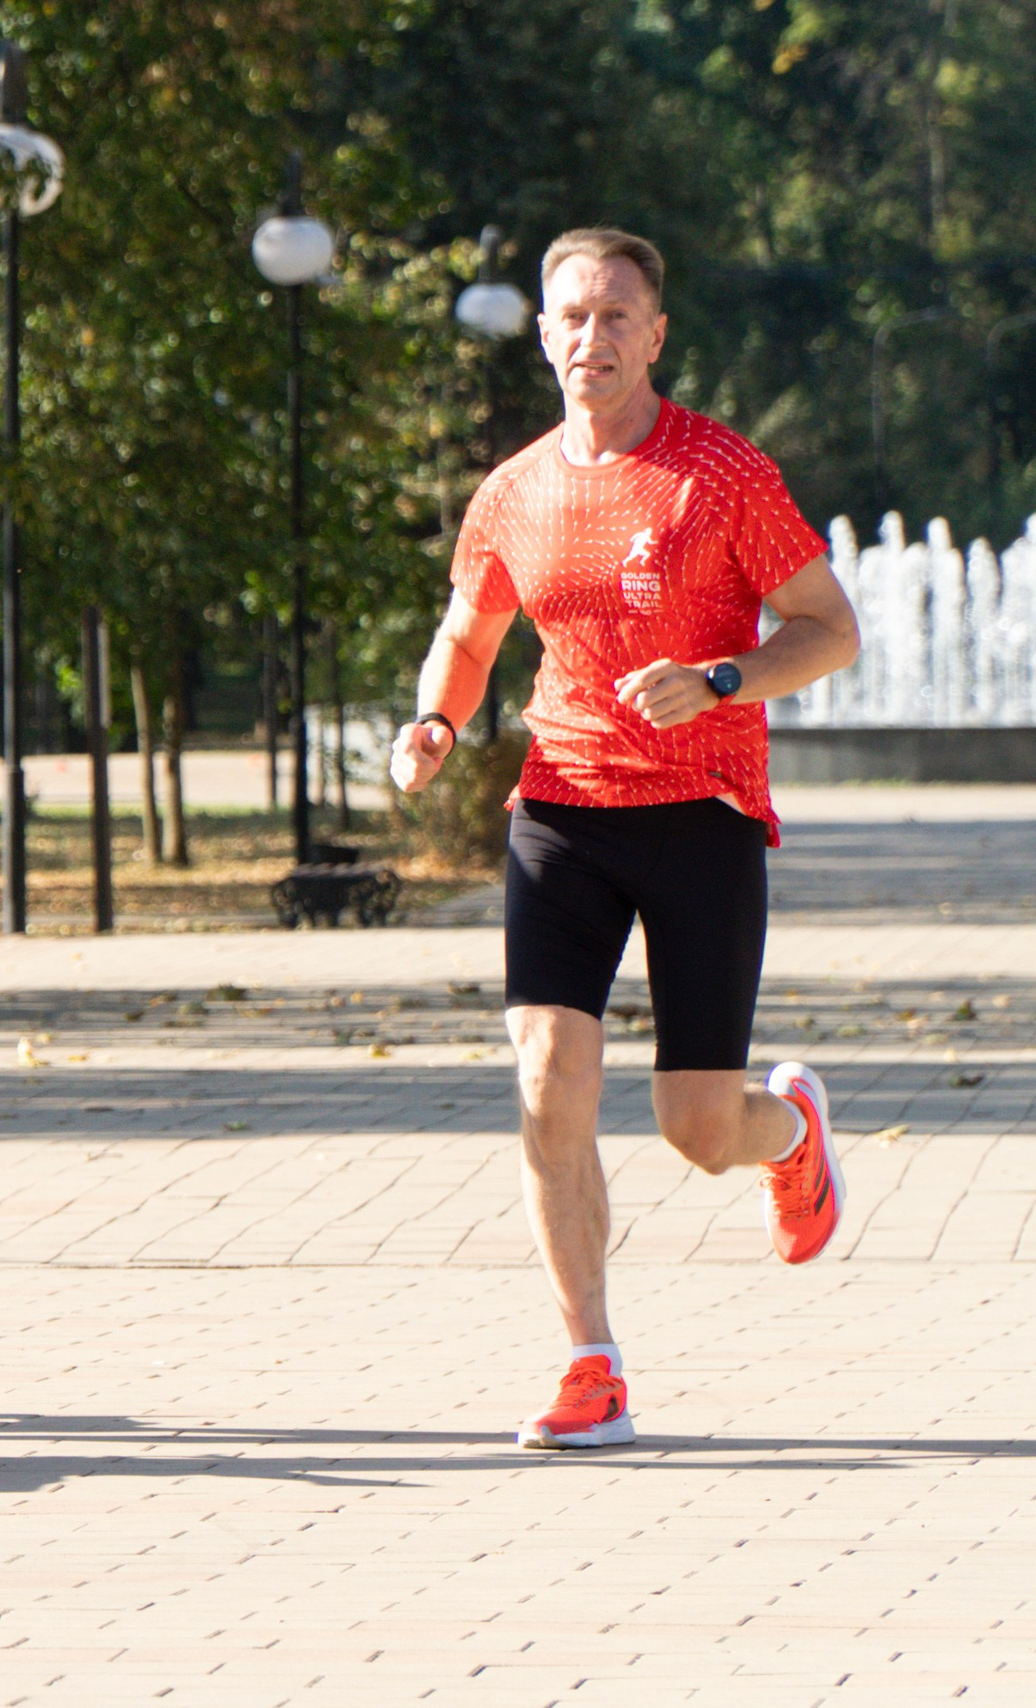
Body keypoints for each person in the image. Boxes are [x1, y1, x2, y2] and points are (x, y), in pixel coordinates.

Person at [389, 228, 862, 1450]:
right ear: (541, 335)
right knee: (548, 1083)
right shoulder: (515, 490)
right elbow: (469, 625)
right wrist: (436, 719)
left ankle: (791, 1129)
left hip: (700, 817)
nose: (589, 338)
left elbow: (828, 629)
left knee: (697, 1128)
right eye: (569, 317)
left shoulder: (721, 474)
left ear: (655, 336)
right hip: (561, 812)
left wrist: (719, 679)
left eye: (613, 317)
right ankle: (588, 1358)